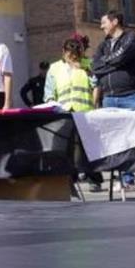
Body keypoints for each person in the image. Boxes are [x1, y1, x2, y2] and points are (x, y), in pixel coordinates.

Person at [94, 10, 135, 194]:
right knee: (118, 142)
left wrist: (107, 64)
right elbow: (95, 66)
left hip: (132, 96)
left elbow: (121, 58)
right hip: (109, 98)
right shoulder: (103, 46)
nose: (102, 26)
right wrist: (110, 63)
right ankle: (126, 180)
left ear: (115, 21)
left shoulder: (132, 39)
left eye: (104, 22)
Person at [44, 36, 104, 191]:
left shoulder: (88, 65)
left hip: (85, 111)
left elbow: (96, 85)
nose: (72, 59)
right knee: (66, 148)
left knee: (88, 148)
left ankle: (94, 179)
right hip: (64, 112)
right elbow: (49, 91)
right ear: (63, 53)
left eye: (75, 55)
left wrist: (95, 104)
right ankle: (69, 180)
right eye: (69, 55)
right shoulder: (55, 68)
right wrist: (52, 105)